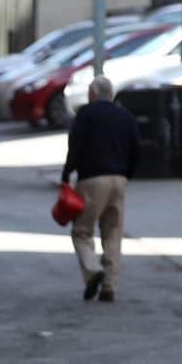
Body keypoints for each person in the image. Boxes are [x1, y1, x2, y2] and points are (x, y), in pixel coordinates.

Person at [60, 75, 141, 303]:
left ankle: (93, 269)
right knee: (113, 231)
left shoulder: (86, 114)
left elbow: (75, 145)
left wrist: (67, 174)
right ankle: (109, 286)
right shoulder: (125, 116)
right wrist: (127, 174)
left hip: (92, 180)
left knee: (81, 231)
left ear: (93, 94)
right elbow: (136, 148)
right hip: (119, 180)